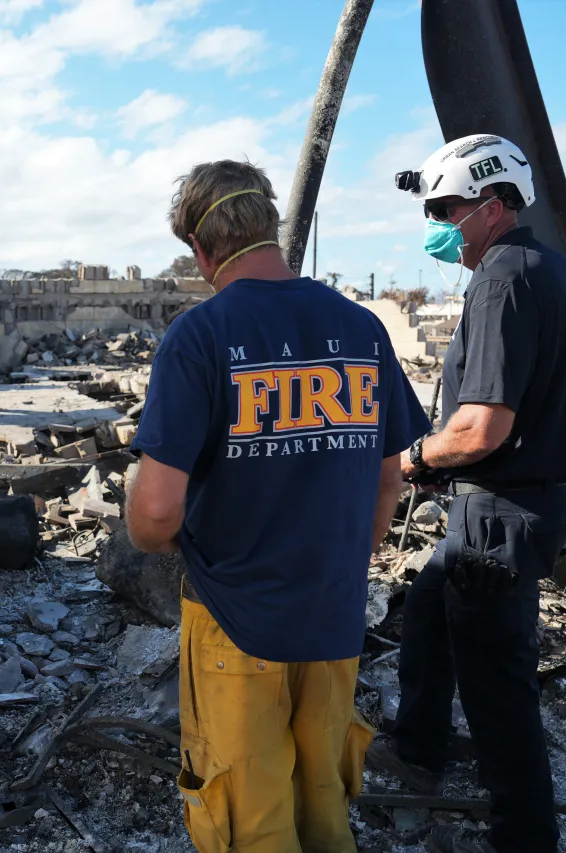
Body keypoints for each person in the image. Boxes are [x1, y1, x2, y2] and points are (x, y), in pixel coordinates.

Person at [124, 159, 431, 853]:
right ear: (273, 226)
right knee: (324, 800)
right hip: (333, 615)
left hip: (236, 619)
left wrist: (156, 534)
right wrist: (354, 555)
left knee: (250, 817)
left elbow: (154, 516)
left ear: (202, 250)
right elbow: (391, 477)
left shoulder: (199, 336)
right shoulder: (362, 329)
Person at [370, 134, 566, 853]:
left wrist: (414, 457)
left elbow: (481, 425)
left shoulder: (500, 281)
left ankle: (523, 836)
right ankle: (418, 748)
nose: (437, 223)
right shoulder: (551, 272)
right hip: (517, 501)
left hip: (501, 514)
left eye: (447, 208)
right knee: (430, 615)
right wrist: (451, 464)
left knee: (498, 684)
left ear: (494, 205)